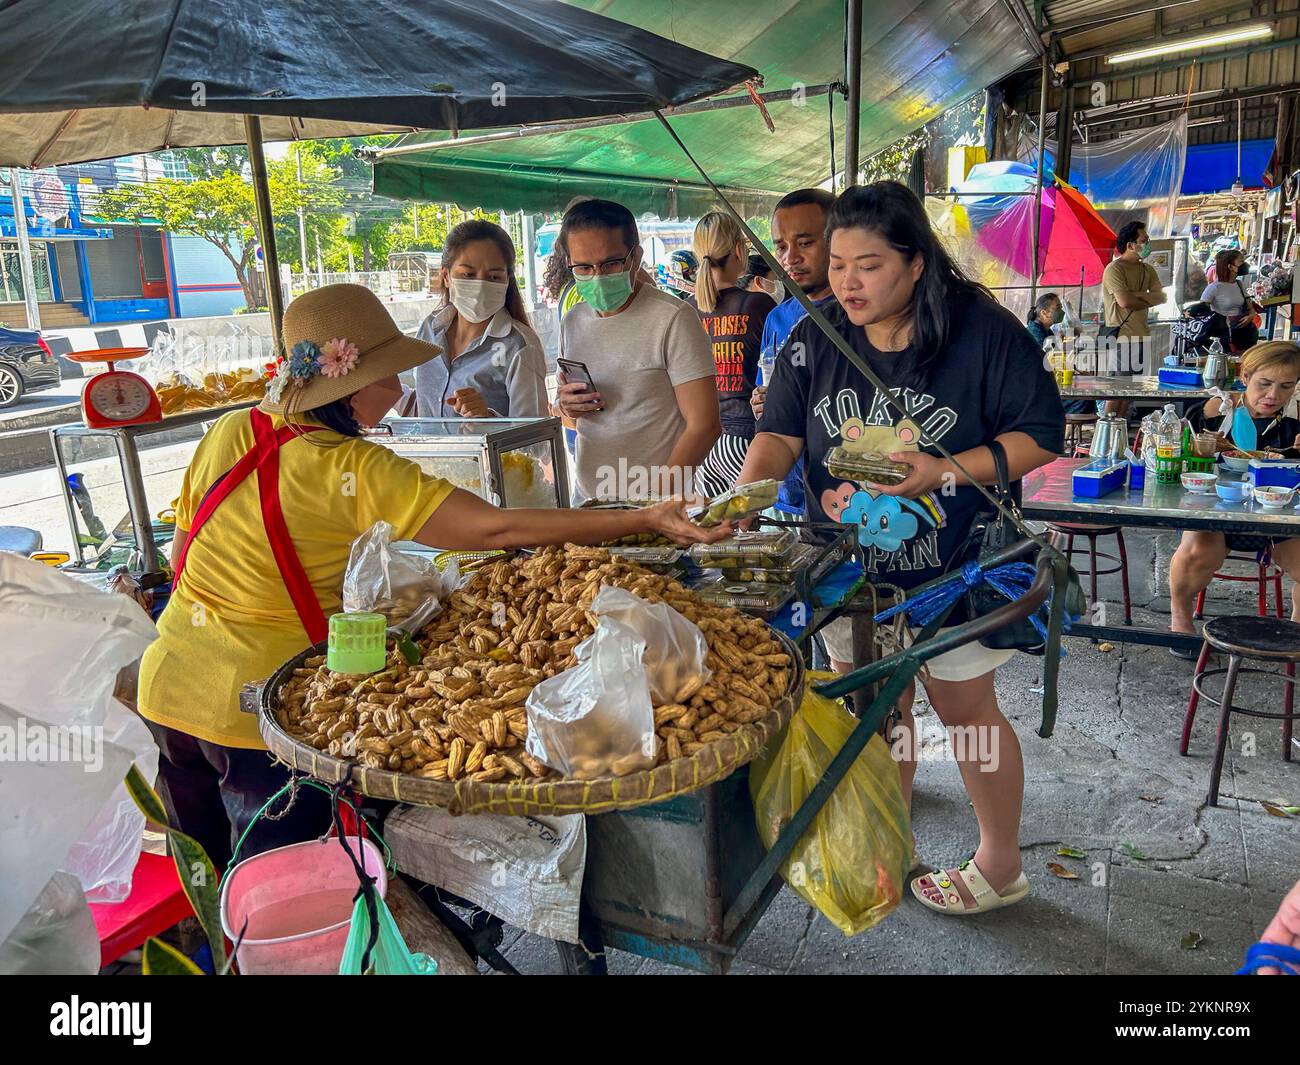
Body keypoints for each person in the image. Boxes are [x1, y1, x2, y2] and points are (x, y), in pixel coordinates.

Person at [136, 284, 730, 870]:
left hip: (168, 686)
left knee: (204, 883)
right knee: (281, 899)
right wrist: (643, 517)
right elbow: (493, 531)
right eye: (388, 377)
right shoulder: (354, 465)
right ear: (350, 386)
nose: (397, 392)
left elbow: (184, 549)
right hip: (256, 717)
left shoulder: (231, 431)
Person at [740, 182, 1063, 916]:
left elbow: (1040, 433)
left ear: (917, 264)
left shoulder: (980, 330)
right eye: (840, 262)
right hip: (848, 571)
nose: (848, 282)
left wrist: (946, 468)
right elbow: (779, 437)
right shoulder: (815, 335)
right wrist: (744, 501)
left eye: (871, 265)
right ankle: (887, 836)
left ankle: (1000, 863)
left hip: (954, 565)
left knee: (966, 708)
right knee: (875, 708)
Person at [555, 199, 720, 502]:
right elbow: (568, 417)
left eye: (611, 263)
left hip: (656, 506)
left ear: (636, 257)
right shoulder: (572, 321)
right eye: (583, 267)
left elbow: (705, 425)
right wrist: (567, 406)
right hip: (590, 501)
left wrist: (653, 502)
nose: (598, 276)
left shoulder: (672, 318)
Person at [1168, 341, 1300, 653]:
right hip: (1214, 506)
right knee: (1196, 552)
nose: (1273, 396)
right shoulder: (1218, 410)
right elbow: (1180, 453)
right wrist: (1202, 445)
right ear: (1245, 377)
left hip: (1278, 512)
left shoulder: (1295, 420)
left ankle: (1295, 634)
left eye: (1286, 386)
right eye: (1264, 384)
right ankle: (1180, 620)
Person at [749, 188, 839, 518]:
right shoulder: (777, 318)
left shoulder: (856, 317)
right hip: (786, 490)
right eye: (781, 246)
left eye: (805, 243)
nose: (790, 258)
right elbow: (766, 397)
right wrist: (762, 403)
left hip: (842, 497)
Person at [407, 219, 546, 419]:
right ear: (446, 277)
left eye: (494, 277)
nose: (480, 285)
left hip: (489, 452)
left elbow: (535, 441)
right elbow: (423, 405)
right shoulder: (430, 329)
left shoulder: (519, 345)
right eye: (468, 274)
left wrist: (488, 419)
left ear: (507, 280)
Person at [688, 212, 776, 497]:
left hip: (702, 444)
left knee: (713, 535)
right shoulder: (757, 303)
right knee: (757, 535)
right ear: (739, 251)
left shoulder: (686, 310)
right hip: (745, 439)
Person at [1201, 249, 1261, 351]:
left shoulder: (1239, 284)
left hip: (1243, 334)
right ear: (1230, 266)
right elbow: (1201, 310)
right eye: (1241, 261)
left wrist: (1251, 316)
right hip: (1223, 335)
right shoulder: (1214, 288)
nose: (1244, 264)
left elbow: (1250, 307)